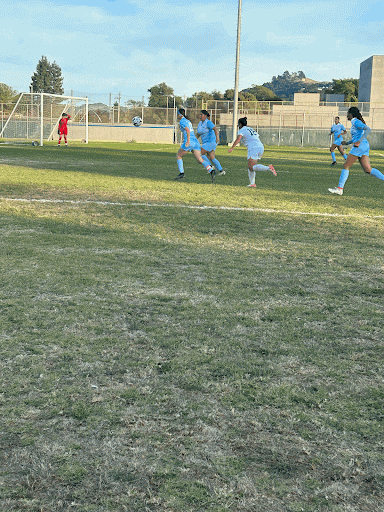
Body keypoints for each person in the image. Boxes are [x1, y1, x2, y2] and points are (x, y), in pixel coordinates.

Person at [328, 106, 384, 196]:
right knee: (368, 169)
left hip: (360, 146)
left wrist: (358, 141)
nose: (346, 115)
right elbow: (357, 136)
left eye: (347, 113)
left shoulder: (355, 121)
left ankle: (339, 189)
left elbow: (368, 129)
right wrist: (347, 142)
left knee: (346, 165)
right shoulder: (355, 122)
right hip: (364, 146)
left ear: (351, 114)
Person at [228, 117, 276, 187]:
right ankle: (252, 183)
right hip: (260, 146)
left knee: (251, 167)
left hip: (253, 147)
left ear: (240, 124)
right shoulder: (250, 129)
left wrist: (232, 148)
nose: (238, 126)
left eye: (238, 124)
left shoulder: (242, 130)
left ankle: (269, 168)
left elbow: (238, 139)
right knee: (251, 167)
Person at [174, 108, 214, 180]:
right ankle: (211, 170)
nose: (177, 116)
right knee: (200, 159)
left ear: (180, 114)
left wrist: (188, 141)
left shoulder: (182, 121)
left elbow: (187, 130)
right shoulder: (187, 121)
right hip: (196, 142)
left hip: (190, 141)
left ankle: (181, 174)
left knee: (179, 155)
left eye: (177, 114)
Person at [196, 110, 225, 176]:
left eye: (201, 114)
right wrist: (193, 140)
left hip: (211, 142)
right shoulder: (200, 124)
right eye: (200, 114)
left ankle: (210, 166)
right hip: (206, 143)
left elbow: (215, 129)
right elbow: (198, 134)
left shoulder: (208, 122)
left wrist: (217, 138)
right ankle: (221, 170)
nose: (200, 116)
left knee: (200, 153)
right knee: (211, 157)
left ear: (205, 115)